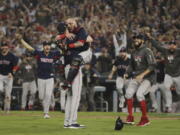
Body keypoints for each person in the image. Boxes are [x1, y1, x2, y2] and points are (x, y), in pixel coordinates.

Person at [56, 18, 93, 128]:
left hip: (70, 67)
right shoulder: (68, 36)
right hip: (73, 67)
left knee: (70, 97)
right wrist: (64, 39)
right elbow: (84, 41)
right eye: (67, 24)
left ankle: (67, 122)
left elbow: (88, 40)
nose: (69, 25)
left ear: (75, 23)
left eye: (71, 23)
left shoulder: (75, 33)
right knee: (75, 96)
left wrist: (65, 41)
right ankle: (72, 122)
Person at [17, 34, 61, 118]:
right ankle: (45, 109)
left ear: (50, 47)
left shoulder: (54, 53)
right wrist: (21, 40)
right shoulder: (39, 53)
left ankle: (46, 113)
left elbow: (63, 50)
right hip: (40, 78)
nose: (47, 47)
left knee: (48, 95)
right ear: (43, 47)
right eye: (45, 46)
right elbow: (29, 48)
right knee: (41, 97)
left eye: (48, 45)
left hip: (50, 78)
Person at [124, 34, 156, 126]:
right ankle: (130, 117)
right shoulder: (134, 52)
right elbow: (131, 65)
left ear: (142, 40)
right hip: (137, 77)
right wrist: (127, 73)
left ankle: (145, 119)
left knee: (139, 94)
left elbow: (152, 65)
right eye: (134, 39)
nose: (136, 40)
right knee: (128, 93)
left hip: (148, 78)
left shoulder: (147, 50)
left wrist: (142, 75)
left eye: (138, 39)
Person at [149, 35, 180, 112]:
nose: (172, 46)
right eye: (171, 44)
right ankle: (168, 106)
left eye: (174, 44)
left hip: (178, 75)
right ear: (169, 45)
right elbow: (157, 46)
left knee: (179, 92)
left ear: (176, 46)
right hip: (168, 74)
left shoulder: (179, 51)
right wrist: (151, 39)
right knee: (167, 87)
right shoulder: (165, 51)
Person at [0, 42, 19, 113]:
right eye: (3, 47)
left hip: (9, 76)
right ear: (1, 47)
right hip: (0, 75)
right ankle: (1, 103)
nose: (4, 48)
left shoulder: (11, 56)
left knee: (8, 94)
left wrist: (12, 72)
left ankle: (7, 109)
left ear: (8, 48)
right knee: (0, 89)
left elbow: (16, 65)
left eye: (6, 47)